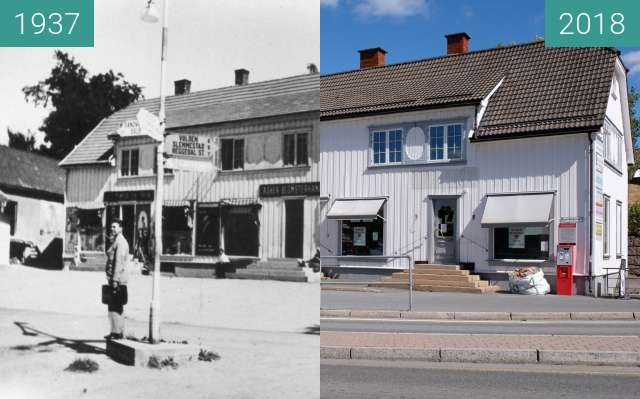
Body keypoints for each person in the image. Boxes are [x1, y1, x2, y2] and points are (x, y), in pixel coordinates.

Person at [105, 219, 129, 340]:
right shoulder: (116, 241)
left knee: (115, 305)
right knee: (115, 305)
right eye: (111, 227)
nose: (112, 229)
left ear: (121, 228)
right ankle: (117, 331)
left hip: (118, 279)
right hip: (116, 279)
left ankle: (116, 332)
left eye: (114, 227)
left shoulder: (121, 242)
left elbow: (118, 262)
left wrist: (115, 280)